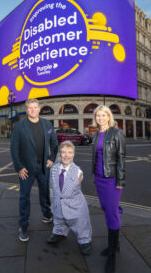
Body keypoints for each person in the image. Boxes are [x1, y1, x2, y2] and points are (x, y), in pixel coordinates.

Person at [11, 98, 58, 242]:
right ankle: (23, 226)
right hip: (26, 168)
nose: (32, 110)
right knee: (24, 197)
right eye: (30, 108)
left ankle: (46, 214)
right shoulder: (19, 126)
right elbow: (14, 149)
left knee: (45, 192)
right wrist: (19, 167)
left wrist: (52, 158)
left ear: (39, 109)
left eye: (35, 107)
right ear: (27, 110)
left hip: (43, 166)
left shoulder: (47, 124)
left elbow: (54, 143)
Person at [91, 105, 126, 273]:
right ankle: (116, 243)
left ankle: (112, 255)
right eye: (98, 115)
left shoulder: (117, 133)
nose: (101, 118)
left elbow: (121, 158)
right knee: (107, 209)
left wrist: (120, 180)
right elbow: (96, 157)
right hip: (99, 178)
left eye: (103, 115)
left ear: (109, 117)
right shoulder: (95, 134)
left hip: (112, 179)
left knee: (111, 212)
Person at [47, 141, 92, 256]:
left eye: (69, 152)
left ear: (73, 154)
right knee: (58, 219)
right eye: (63, 152)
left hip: (75, 205)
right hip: (58, 203)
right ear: (60, 154)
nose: (66, 155)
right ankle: (59, 232)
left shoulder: (78, 172)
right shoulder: (54, 169)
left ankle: (84, 240)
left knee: (81, 223)